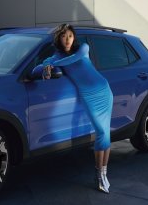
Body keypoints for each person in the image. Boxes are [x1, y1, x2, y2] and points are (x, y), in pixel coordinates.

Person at [32, 24, 114, 193]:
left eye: (70, 36)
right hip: (89, 95)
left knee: (105, 133)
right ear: (59, 39)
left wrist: (50, 63)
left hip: (104, 91)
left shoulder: (83, 48)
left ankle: (104, 173)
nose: (67, 39)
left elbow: (71, 60)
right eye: (64, 36)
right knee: (101, 132)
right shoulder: (57, 56)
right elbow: (36, 69)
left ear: (74, 37)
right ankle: (99, 175)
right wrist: (46, 65)